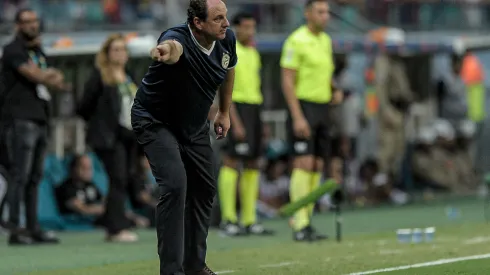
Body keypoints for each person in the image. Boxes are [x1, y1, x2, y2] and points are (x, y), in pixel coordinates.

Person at [130, 0, 236, 274]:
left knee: (205, 187)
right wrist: (164, 52)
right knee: (175, 186)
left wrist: (224, 112)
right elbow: (173, 50)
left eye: (225, 16)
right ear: (197, 23)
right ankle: (171, 270)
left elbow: (229, 69)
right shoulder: (175, 38)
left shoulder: (226, 38)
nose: (226, 23)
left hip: (194, 125)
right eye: (218, 18)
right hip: (155, 121)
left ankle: (194, 265)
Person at [1, 8, 69, 245]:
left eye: (34, 21)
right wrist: (46, 75)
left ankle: (32, 228)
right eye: (26, 22)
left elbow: (59, 81)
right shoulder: (12, 50)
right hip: (20, 119)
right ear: (18, 26)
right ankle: (14, 228)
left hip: (40, 118)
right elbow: (36, 76)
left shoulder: (37, 51)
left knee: (34, 177)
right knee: (20, 175)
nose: (32, 25)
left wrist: (47, 75)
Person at [280, 0, 343, 242]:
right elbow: (287, 82)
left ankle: (307, 221)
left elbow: (325, 74)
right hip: (303, 106)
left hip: (323, 108)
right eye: (320, 11)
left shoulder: (326, 41)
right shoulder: (296, 40)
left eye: (327, 12)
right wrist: (297, 116)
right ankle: (299, 222)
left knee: (317, 165)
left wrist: (334, 88)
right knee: (303, 163)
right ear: (307, 14)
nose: (326, 16)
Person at [77, 33, 140, 242]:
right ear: (107, 53)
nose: (120, 53)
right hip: (107, 137)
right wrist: (99, 123)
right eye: (115, 49)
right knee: (118, 178)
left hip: (127, 135)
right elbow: (83, 106)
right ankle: (116, 228)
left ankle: (115, 222)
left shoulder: (129, 75)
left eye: (123, 49)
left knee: (124, 178)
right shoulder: (100, 75)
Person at [217, 12, 274, 237]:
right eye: (247, 27)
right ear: (236, 29)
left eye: (253, 28)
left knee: (253, 164)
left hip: (255, 109)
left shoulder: (253, 52)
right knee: (231, 162)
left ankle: (250, 220)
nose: (251, 32)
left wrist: (263, 121)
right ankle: (228, 220)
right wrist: (232, 118)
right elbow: (224, 89)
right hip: (236, 108)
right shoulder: (228, 51)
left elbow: (256, 88)